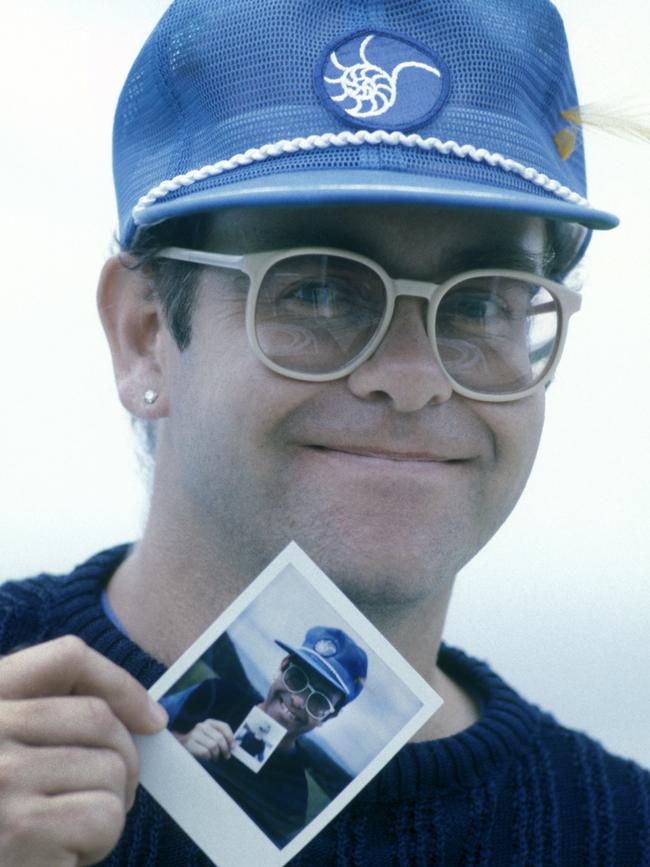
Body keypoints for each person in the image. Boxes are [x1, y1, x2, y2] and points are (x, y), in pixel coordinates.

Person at [0, 1, 647, 865]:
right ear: (145, 333)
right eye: (318, 289)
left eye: (482, 301)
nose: (414, 377)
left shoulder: (618, 833)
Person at [160, 626, 367, 845]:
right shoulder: (215, 695)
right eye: (297, 678)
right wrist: (180, 742)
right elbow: (141, 729)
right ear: (282, 667)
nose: (297, 700)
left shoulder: (292, 800)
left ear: (327, 718)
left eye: (318, 701)